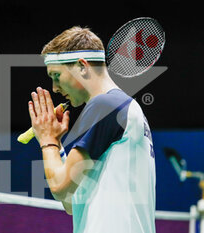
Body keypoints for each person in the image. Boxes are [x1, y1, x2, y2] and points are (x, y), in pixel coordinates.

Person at [28, 26, 156, 233]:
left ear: (82, 66)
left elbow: (60, 188)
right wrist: (57, 146)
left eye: (57, 76)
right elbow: (70, 202)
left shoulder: (105, 106)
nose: (54, 88)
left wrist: (46, 140)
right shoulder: (123, 107)